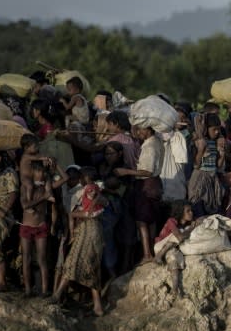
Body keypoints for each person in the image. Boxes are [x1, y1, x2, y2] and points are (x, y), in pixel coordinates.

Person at [50, 182, 105, 316]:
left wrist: (95, 199)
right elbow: (74, 215)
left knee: (90, 268)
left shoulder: (101, 202)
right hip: (81, 236)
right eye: (89, 190)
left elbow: (90, 212)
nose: (92, 193)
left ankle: (97, 307)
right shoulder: (83, 206)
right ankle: (57, 296)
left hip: (92, 238)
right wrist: (73, 230)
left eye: (94, 190)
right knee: (71, 263)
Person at [114, 125, 164, 264]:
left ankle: (147, 254)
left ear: (149, 129)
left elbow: (147, 171)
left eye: (141, 129)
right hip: (155, 184)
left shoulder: (150, 146)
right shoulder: (157, 141)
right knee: (151, 220)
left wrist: (126, 172)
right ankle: (151, 252)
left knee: (142, 221)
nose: (138, 132)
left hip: (147, 184)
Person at [19, 160, 54, 297]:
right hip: (26, 227)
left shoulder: (45, 184)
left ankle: (45, 291)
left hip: (40, 226)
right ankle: (28, 290)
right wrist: (43, 198)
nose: (42, 174)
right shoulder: (25, 186)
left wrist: (50, 172)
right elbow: (25, 206)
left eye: (44, 171)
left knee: (42, 259)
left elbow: (49, 193)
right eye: (40, 171)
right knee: (26, 258)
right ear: (33, 171)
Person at [0, 150, 19, 292]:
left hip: (4, 215)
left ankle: (2, 282)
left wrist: (4, 210)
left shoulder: (9, 172)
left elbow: (13, 193)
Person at [188, 113, 226, 216]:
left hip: (212, 180)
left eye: (218, 129)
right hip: (200, 180)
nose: (217, 132)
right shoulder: (199, 142)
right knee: (199, 210)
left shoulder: (215, 143)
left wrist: (222, 154)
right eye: (214, 129)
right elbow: (196, 165)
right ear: (206, 128)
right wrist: (201, 150)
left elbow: (218, 166)